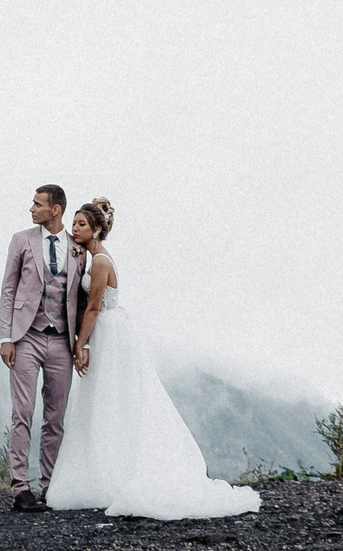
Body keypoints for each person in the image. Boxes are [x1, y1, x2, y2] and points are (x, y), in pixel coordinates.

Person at [42, 198, 261, 520]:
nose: (75, 229)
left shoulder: (100, 262)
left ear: (98, 229)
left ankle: (117, 472)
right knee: (103, 401)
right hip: (106, 330)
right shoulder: (91, 259)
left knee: (113, 398)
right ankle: (104, 469)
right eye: (74, 224)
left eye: (81, 225)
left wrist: (80, 345)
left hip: (108, 331)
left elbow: (93, 307)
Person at [0, 183, 80, 512]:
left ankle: (49, 486)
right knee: (23, 414)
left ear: (55, 210)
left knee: (55, 418)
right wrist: (7, 337)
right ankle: (20, 489)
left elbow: (84, 299)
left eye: (37, 204)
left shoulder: (77, 248)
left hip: (62, 341)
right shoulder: (21, 240)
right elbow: (8, 289)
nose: (31, 209)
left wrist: (82, 344)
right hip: (26, 337)